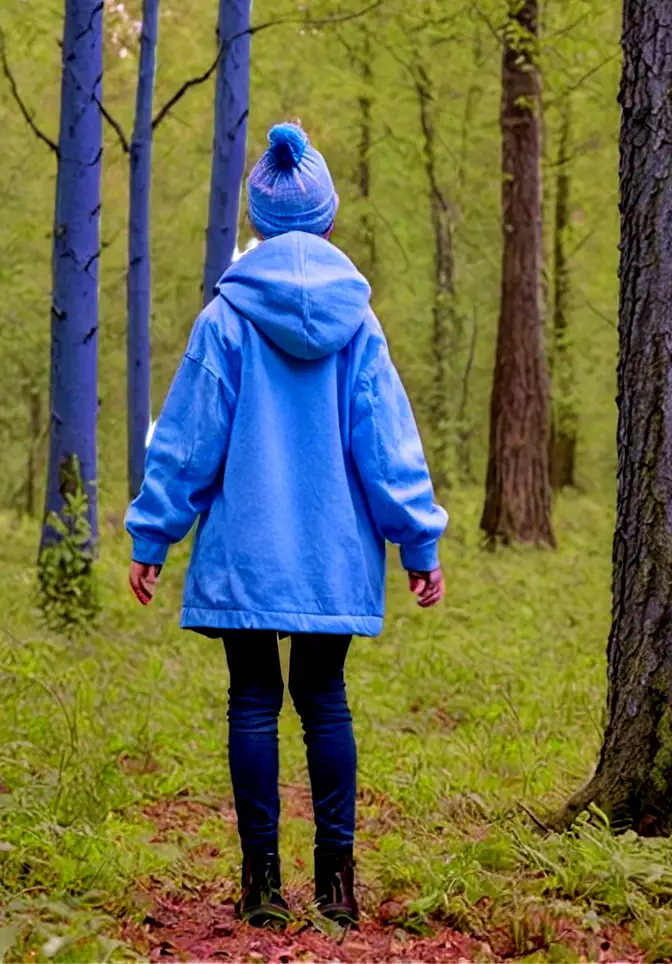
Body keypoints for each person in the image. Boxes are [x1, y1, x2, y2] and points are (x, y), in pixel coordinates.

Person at [126, 122, 447, 929]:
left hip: (247, 553)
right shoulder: (359, 326)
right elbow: (387, 439)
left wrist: (153, 535)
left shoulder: (224, 320)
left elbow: (187, 440)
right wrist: (417, 539)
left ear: (257, 227)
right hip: (335, 553)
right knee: (326, 699)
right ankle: (337, 889)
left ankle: (261, 887)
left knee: (253, 702)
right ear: (330, 222)